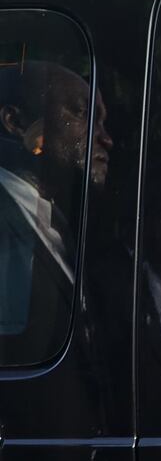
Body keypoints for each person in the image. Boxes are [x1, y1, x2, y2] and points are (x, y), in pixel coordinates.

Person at [0, 60, 113, 363]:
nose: (105, 138)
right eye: (82, 114)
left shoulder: (56, 220)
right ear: (15, 121)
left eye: (101, 121)